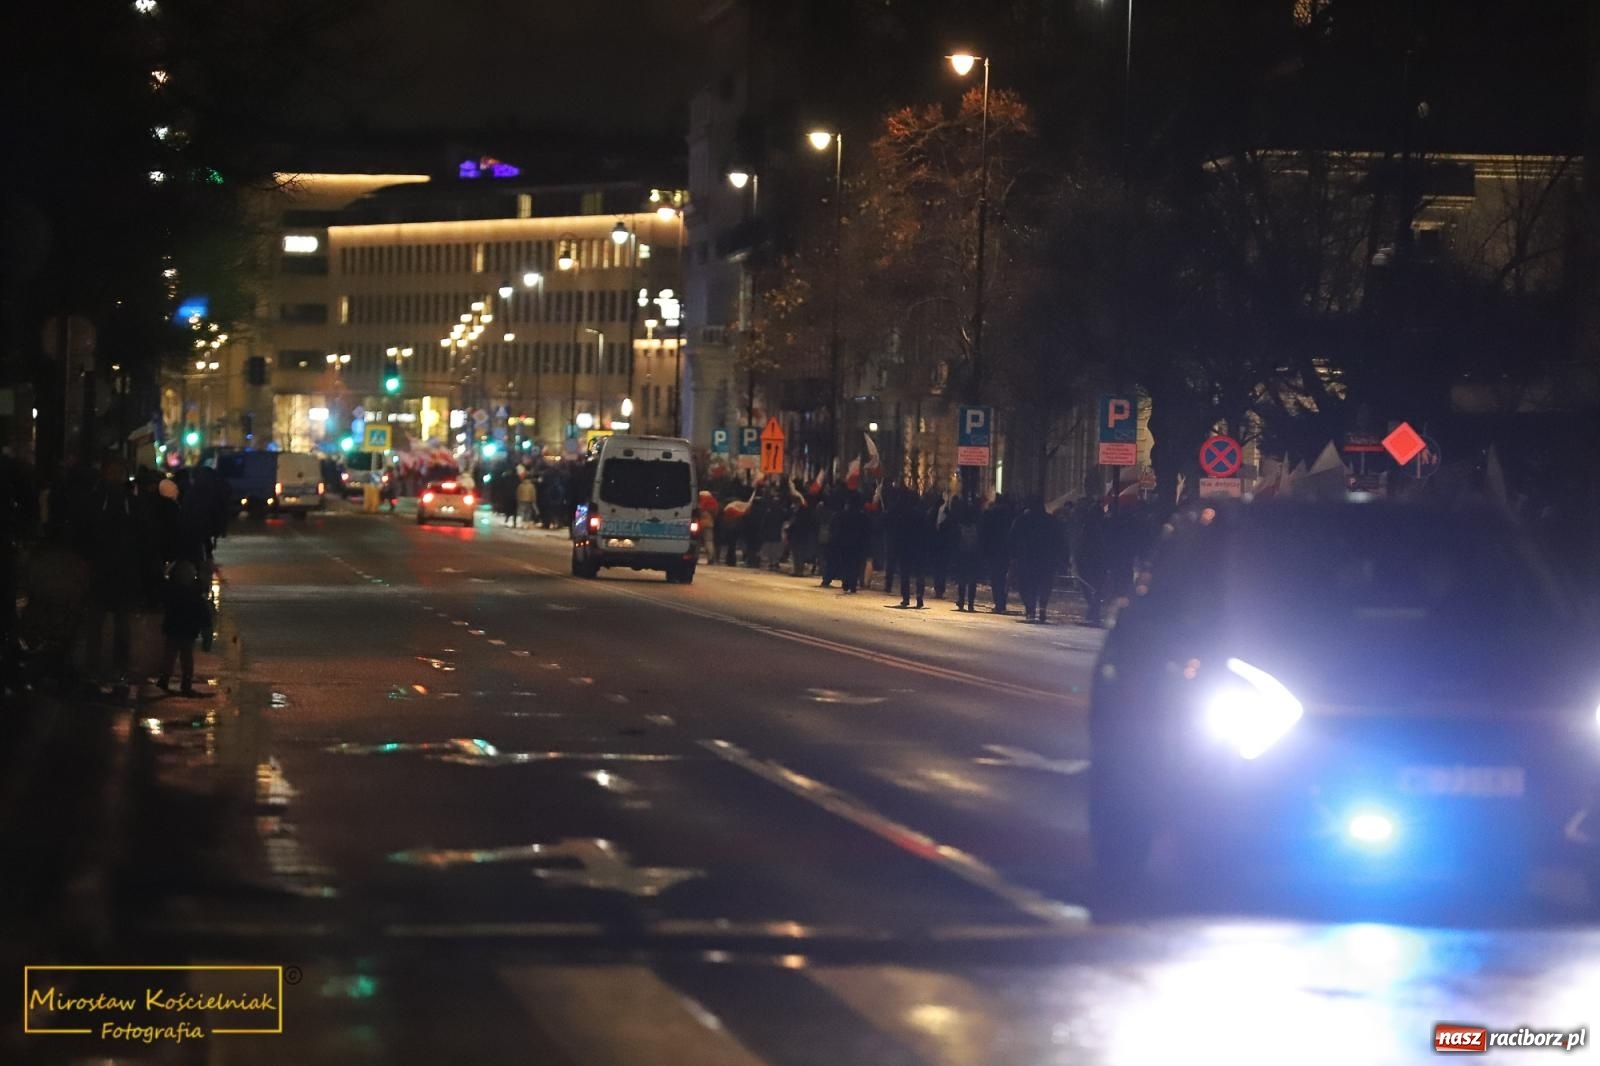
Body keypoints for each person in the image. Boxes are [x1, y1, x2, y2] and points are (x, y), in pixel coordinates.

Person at [156, 558, 211, 697]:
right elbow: (204, 615)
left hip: (174, 629)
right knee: (186, 659)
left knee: (170, 656)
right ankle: (185, 685)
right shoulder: (195, 595)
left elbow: (164, 603)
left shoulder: (172, 591)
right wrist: (206, 635)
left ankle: (165, 680)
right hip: (187, 631)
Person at [1010, 495, 1059, 623]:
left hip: (1027, 558)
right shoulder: (1051, 521)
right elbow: (1059, 540)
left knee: (1027, 584)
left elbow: (1012, 539)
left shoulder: (1022, 520)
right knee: (1044, 584)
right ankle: (1042, 608)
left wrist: (1014, 556)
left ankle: (1030, 608)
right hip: (1046, 559)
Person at [979, 493, 1015, 613]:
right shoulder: (1010, 515)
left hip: (993, 549)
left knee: (995, 577)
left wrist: (984, 549)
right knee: (1004, 577)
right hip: (1006, 549)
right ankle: (1002, 602)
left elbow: (984, 532)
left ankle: (998, 602)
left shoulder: (990, 514)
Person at [947, 492, 983, 612]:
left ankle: (961, 600)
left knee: (962, 579)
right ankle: (971, 602)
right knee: (972, 580)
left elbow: (955, 541)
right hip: (973, 555)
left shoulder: (960, 527)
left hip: (963, 555)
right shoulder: (976, 527)